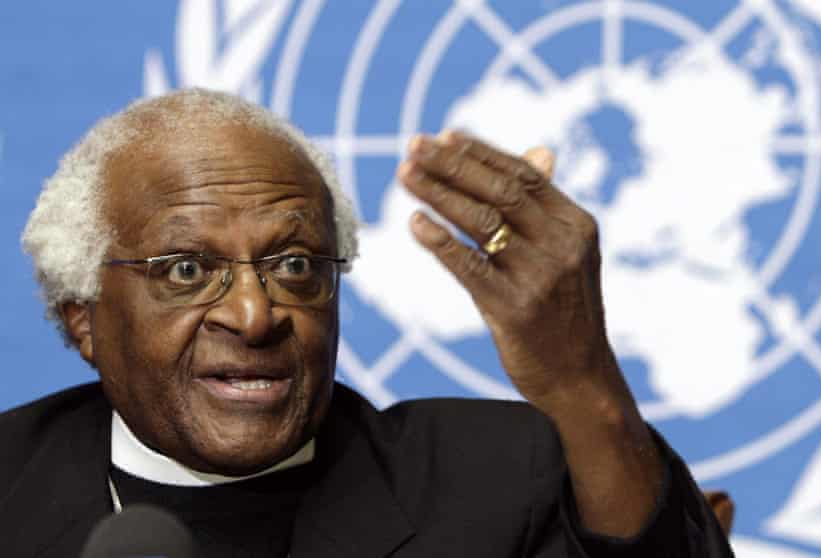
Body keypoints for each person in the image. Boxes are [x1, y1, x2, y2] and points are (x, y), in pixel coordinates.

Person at [0, 88, 733, 557]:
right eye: (188, 271)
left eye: (294, 265)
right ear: (83, 319)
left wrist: (579, 378)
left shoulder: (496, 481)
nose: (256, 315)